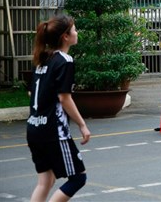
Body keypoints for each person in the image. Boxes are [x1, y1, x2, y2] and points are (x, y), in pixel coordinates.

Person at [27, 14, 91, 202]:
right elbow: (64, 98)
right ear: (65, 36)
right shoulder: (65, 61)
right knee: (78, 178)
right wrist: (82, 125)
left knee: (45, 181)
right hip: (53, 132)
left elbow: (32, 93)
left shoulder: (42, 59)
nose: (77, 33)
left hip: (34, 128)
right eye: (74, 30)